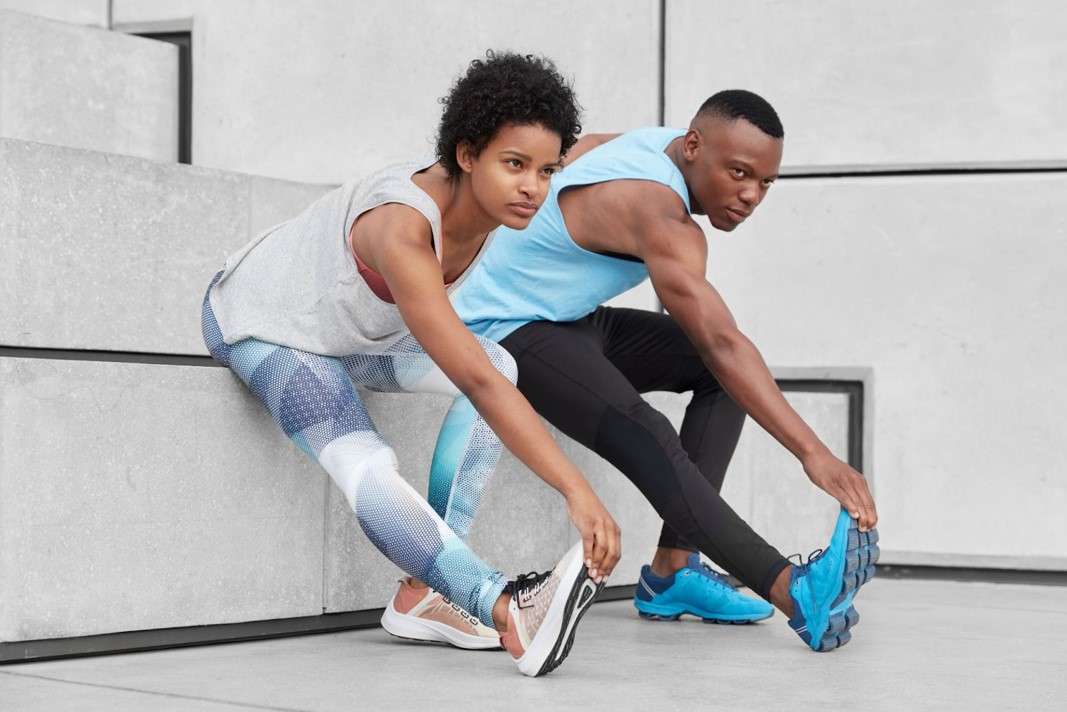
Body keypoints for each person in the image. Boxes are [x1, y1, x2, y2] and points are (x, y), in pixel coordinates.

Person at [199, 51, 621, 677]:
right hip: (266, 325)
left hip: (351, 339)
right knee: (365, 460)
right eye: (515, 164)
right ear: (467, 152)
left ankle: (426, 590)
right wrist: (575, 489)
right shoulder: (402, 226)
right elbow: (471, 381)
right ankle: (502, 607)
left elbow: (484, 371)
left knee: (499, 362)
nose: (533, 185)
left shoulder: (491, 208)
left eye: (546, 169)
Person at [449, 89, 880, 652]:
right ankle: (795, 592)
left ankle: (672, 572)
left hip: (566, 317)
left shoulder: (656, 145)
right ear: (696, 147)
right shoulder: (662, 216)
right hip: (503, 330)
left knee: (717, 374)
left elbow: (581, 149)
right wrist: (812, 453)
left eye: (765, 183)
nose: (750, 195)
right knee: (647, 425)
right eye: (738, 173)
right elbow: (722, 339)